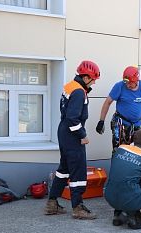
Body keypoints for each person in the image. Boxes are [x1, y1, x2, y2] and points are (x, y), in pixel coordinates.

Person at [44, 60, 100, 220]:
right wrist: (82, 135)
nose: (94, 82)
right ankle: (77, 207)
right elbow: (72, 118)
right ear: (86, 77)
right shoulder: (78, 92)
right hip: (72, 134)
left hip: (63, 132)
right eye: (93, 79)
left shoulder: (70, 86)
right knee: (78, 170)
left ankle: (52, 203)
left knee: (64, 170)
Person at [96, 66, 141, 151]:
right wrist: (101, 121)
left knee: (136, 150)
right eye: (126, 82)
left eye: (130, 83)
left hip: (136, 124)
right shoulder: (119, 86)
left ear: (136, 80)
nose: (128, 85)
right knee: (118, 150)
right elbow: (107, 102)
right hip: (121, 123)